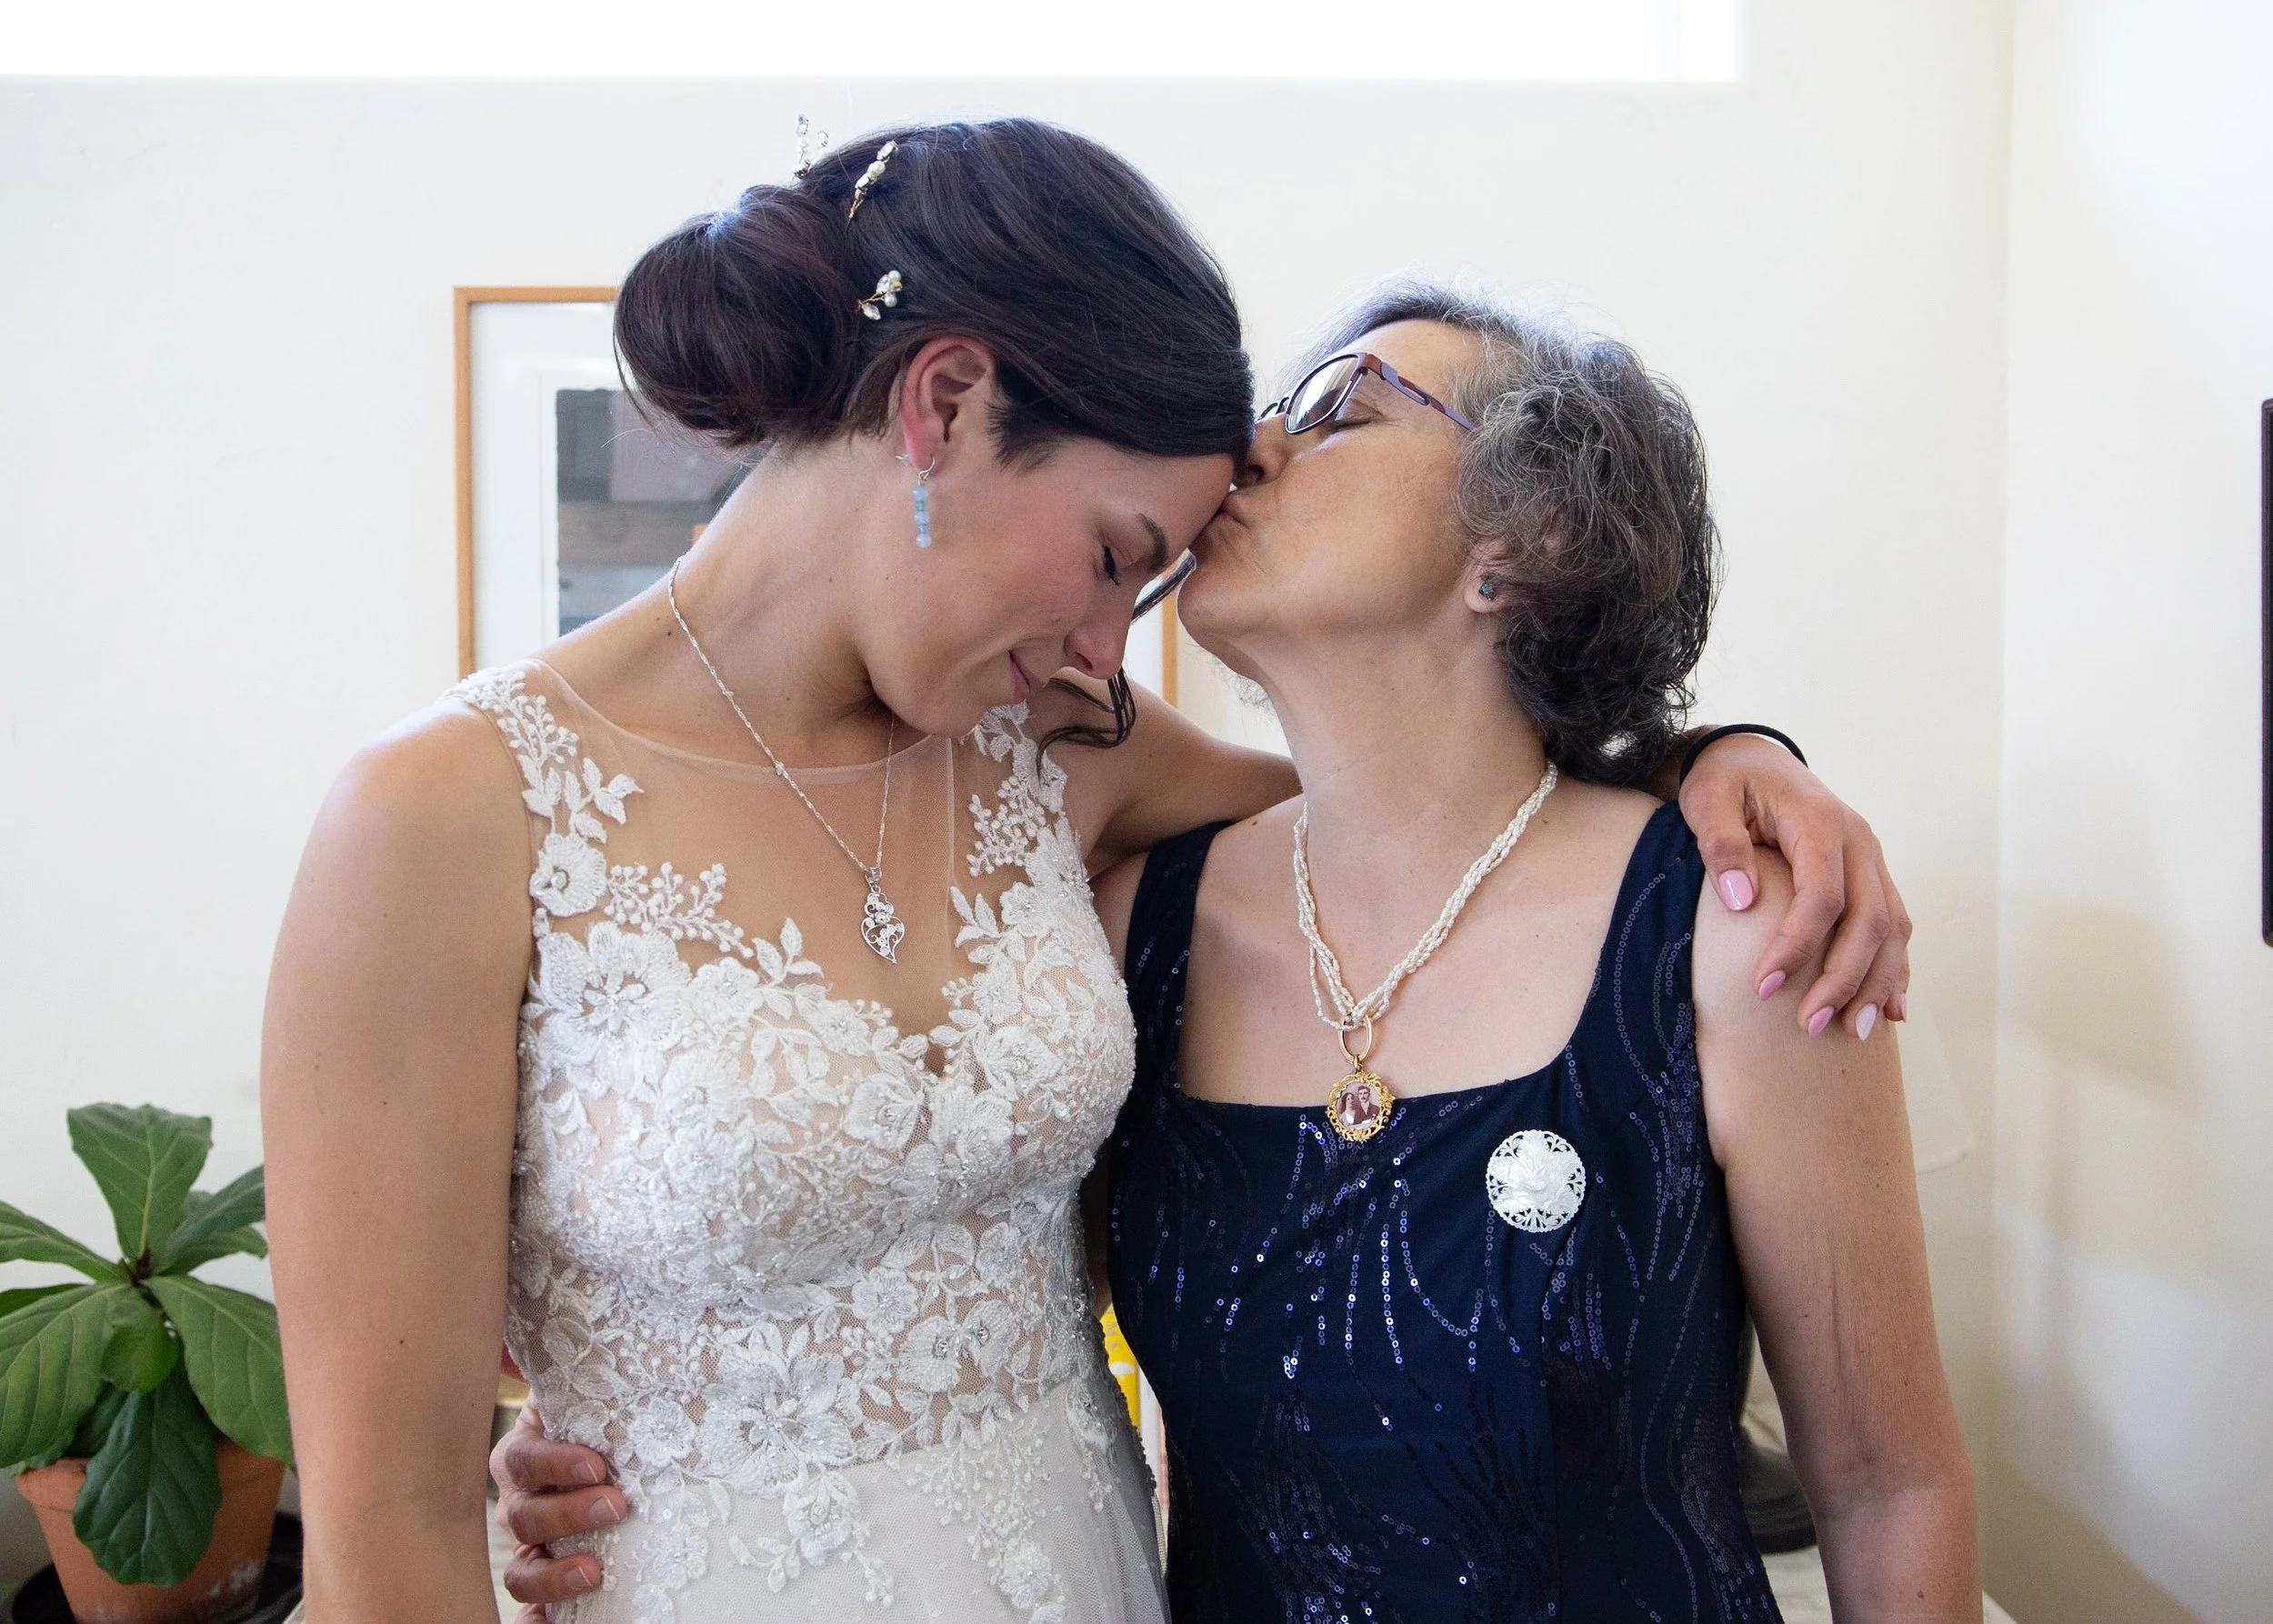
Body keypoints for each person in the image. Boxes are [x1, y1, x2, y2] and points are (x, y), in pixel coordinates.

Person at [270, 121, 1908, 1624]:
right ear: (941, 405)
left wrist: (1721, 764)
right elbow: (381, 1519)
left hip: (1095, 1574)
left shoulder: (1059, 756)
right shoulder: (443, 818)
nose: (1105, 648)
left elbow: (1446, 824)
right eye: (1119, 556)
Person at [1095, 289, 1977, 1619]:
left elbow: (1886, 1485)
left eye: (1340, 412)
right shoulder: (1133, 934)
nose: (1254, 448)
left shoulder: (1733, 934)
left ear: (1523, 540)